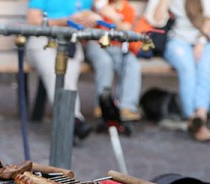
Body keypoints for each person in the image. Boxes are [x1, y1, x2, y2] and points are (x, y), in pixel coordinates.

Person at [25, 0, 98, 141]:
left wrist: (88, 23)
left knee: (68, 76)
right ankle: (74, 120)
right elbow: (33, 20)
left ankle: (72, 121)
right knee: (54, 73)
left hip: (70, 43)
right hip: (42, 39)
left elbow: (89, 26)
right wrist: (64, 21)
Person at [145, 0, 210, 142]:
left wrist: (201, 42)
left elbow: (208, 19)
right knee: (188, 69)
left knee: (206, 69)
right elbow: (156, 20)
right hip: (177, 41)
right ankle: (192, 117)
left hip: (203, 39)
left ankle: (201, 115)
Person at [85, 0, 142, 123]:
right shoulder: (97, 4)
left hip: (117, 46)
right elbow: (86, 23)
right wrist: (93, 16)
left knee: (132, 64)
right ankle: (102, 103)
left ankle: (127, 106)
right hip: (96, 43)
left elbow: (126, 31)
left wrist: (114, 17)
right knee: (104, 63)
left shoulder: (126, 8)